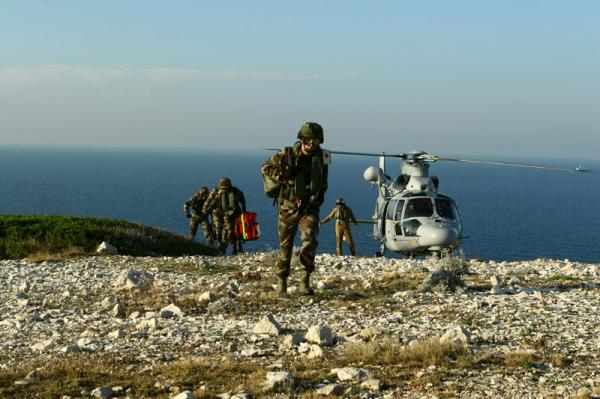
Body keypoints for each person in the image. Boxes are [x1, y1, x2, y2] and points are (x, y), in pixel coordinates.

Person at [261, 122, 330, 297]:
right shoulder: (287, 154)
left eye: (315, 141)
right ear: (302, 139)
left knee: (309, 240)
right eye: (308, 140)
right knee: (286, 246)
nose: (311, 144)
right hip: (288, 208)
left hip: (309, 208)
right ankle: (282, 282)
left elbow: (323, 181)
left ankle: (304, 281)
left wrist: (318, 199)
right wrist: (281, 174)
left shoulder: (323, 157)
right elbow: (265, 167)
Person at [203, 177, 246, 255]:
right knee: (218, 229)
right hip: (217, 213)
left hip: (231, 214)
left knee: (233, 230)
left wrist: (243, 208)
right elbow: (208, 202)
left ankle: (237, 248)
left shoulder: (235, 191)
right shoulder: (215, 192)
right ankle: (221, 247)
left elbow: (242, 199)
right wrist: (205, 211)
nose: (225, 188)